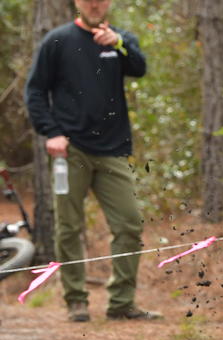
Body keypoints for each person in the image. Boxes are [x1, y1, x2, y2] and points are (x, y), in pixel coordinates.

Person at [25, 0, 161, 322]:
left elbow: (139, 68)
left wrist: (120, 44)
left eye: (101, 0)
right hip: (70, 151)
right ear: (78, 3)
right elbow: (34, 92)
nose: (95, 5)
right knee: (69, 227)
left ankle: (121, 303)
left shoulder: (121, 39)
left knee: (129, 224)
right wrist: (51, 132)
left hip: (113, 149)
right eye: (89, 0)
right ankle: (76, 301)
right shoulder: (57, 41)